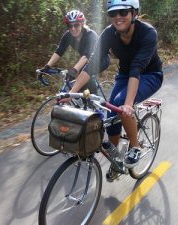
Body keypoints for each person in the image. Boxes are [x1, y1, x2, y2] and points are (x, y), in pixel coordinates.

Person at [68, 0, 163, 180]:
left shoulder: (148, 33)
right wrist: (71, 92)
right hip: (125, 75)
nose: (118, 17)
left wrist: (128, 104)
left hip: (150, 75)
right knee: (111, 115)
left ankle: (135, 146)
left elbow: (137, 67)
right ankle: (116, 159)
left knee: (120, 104)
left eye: (123, 12)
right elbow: (92, 64)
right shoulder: (109, 33)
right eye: (113, 14)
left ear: (134, 13)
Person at [40, 9, 110, 94]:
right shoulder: (68, 35)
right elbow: (59, 51)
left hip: (102, 60)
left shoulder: (91, 35)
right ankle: (85, 100)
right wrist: (47, 66)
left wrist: (74, 70)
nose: (73, 28)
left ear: (82, 24)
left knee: (85, 75)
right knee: (80, 86)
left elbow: (86, 56)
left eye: (76, 25)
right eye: (70, 26)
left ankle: (95, 101)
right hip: (87, 60)